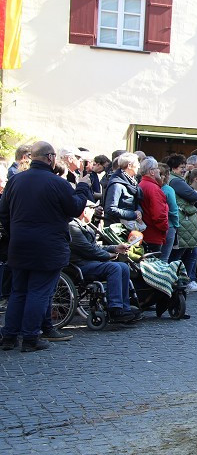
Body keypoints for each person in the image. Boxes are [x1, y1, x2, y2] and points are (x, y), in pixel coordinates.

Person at [0, 142, 92, 351]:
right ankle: (31, 338)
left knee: (18, 292)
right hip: (48, 246)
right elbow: (75, 207)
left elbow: (3, 213)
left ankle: (9, 337)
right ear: (50, 158)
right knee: (39, 292)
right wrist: (83, 188)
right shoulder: (57, 183)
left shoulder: (15, 181)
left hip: (20, 244)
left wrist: (16, 231)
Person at [68, 200, 140, 323]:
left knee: (123, 266)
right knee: (114, 268)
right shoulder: (73, 227)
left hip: (90, 262)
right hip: (80, 265)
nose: (95, 211)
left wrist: (115, 247)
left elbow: (95, 247)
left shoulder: (85, 226)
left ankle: (124, 306)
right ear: (84, 211)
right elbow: (88, 250)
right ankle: (115, 307)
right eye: (92, 209)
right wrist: (108, 255)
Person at [176, 167, 197, 290]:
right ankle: (186, 280)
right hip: (188, 225)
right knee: (189, 254)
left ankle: (189, 278)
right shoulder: (187, 192)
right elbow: (187, 207)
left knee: (194, 254)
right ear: (196, 179)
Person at [137, 158, 168, 254]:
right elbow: (158, 215)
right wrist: (165, 228)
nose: (159, 170)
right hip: (153, 235)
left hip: (146, 233)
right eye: (157, 168)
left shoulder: (142, 184)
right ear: (151, 172)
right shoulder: (153, 188)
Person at [103, 152, 142, 229]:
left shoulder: (132, 182)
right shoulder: (116, 184)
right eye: (137, 163)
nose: (139, 166)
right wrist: (133, 214)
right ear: (129, 165)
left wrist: (139, 211)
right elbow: (110, 208)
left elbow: (136, 202)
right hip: (118, 229)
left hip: (127, 228)